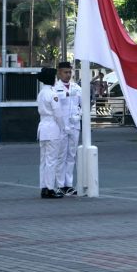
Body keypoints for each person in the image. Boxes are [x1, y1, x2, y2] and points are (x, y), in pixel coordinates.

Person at [54, 61, 81, 196]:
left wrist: (79, 114)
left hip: (74, 125)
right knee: (61, 155)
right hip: (61, 126)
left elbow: (83, 103)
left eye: (70, 72)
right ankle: (60, 185)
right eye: (65, 72)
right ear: (59, 72)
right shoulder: (55, 88)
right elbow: (56, 101)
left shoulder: (76, 87)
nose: (68, 75)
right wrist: (68, 94)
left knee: (72, 155)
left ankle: (68, 184)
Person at [36, 67, 63, 199]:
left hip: (42, 128)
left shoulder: (41, 93)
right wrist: (63, 128)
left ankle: (43, 187)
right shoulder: (53, 94)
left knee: (44, 160)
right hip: (52, 127)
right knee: (52, 160)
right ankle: (50, 188)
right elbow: (58, 114)